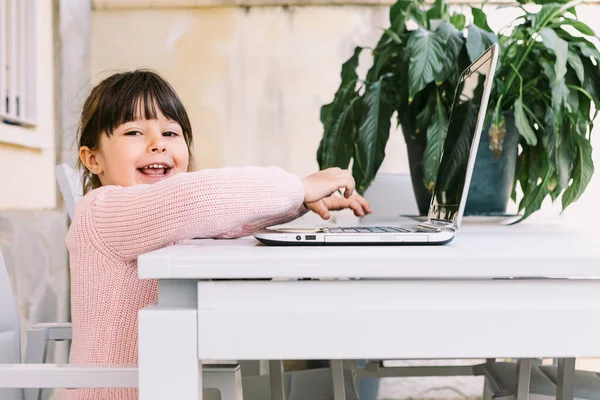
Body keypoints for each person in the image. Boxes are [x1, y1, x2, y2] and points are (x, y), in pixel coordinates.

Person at [61, 69, 371, 400]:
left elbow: (228, 224)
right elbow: (191, 198)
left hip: (166, 387)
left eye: (170, 133)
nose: (157, 145)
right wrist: (297, 186)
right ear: (93, 159)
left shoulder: (163, 220)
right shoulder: (102, 210)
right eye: (135, 132)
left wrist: (300, 202)